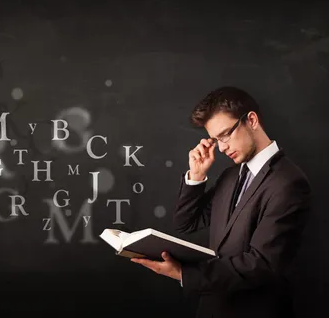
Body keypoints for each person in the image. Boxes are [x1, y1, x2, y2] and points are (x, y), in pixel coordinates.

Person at [131, 86, 311, 318]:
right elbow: (186, 223)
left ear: (252, 120)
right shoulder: (230, 175)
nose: (223, 147)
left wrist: (185, 274)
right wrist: (196, 176)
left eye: (225, 135)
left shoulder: (289, 182)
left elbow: (263, 264)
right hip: (213, 308)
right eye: (216, 140)